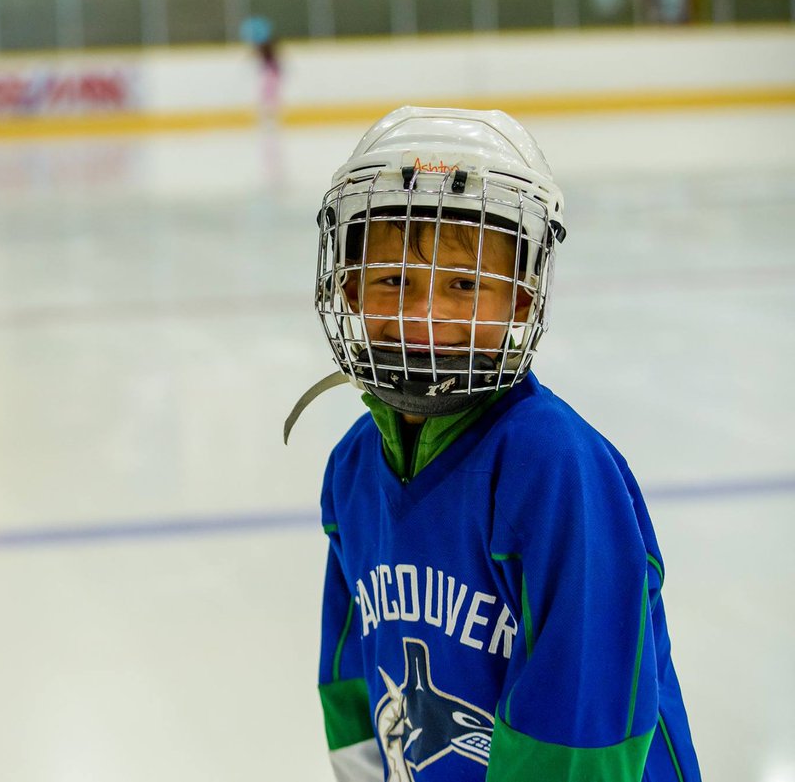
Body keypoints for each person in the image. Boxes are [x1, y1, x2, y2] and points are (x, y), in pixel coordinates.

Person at [285, 106, 701, 782]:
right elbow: (349, 671)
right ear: (350, 288)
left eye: (464, 283)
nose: (427, 313)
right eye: (395, 281)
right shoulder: (355, 465)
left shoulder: (554, 465)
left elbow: (583, 709)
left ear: (521, 297)